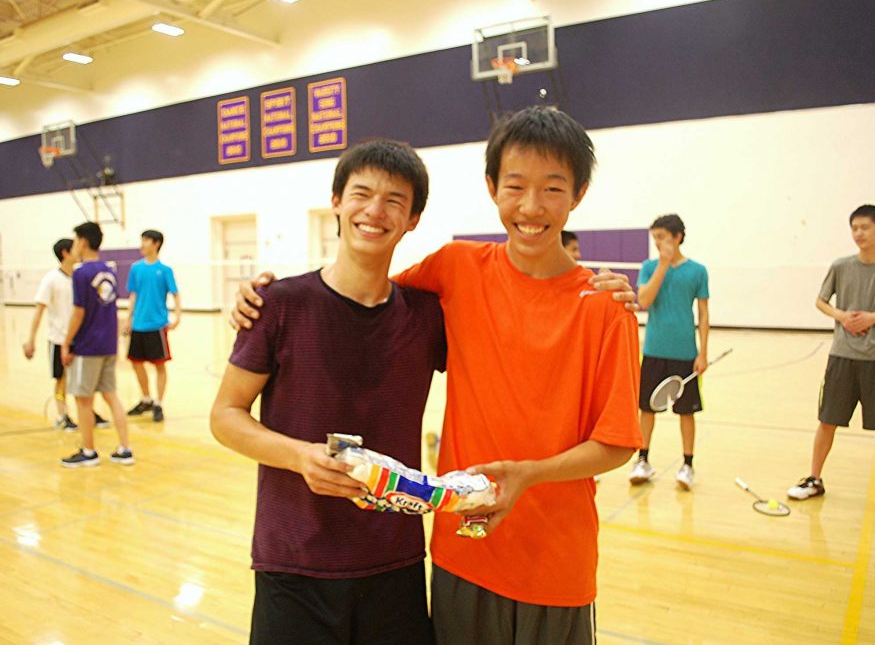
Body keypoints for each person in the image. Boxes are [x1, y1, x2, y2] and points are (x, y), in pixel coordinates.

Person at [232, 107, 643, 644]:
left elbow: (617, 443)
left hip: (554, 564)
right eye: (515, 186)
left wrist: (526, 475)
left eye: (553, 189)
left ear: (578, 195)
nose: (531, 206)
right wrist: (263, 297)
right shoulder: (456, 269)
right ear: (493, 187)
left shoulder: (605, 307)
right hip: (460, 552)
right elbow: (361, 295)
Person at [210, 139, 446, 644]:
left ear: (413, 220)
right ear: (336, 201)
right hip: (294, 560)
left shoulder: (428, 317)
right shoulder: (278, 304)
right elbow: (226, 415)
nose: (375, 211)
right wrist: (299, 457)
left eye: (394, 201)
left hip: (394, 558)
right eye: (361, 193)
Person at [787, 204, 875, 516]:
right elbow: (821, 301)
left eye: (865, 227)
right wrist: (841, 316)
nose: (859, 233)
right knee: (827, 420)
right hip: (841, 356)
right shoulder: (840, 266)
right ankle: (814, 479)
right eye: (854, 228)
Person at [630, 214, 709, 490]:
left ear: (677, 238)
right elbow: (644, 300)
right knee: (646, 409)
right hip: (654, 350)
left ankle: (687, 465)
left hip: (686, 353)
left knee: (686, 412)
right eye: (655, 239)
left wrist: (703, 353)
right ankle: (643, 460)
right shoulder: (649, 267)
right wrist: (663, 265)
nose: (658, 243)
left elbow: (703, 311)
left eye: (662, 238)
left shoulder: (698, 271)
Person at [60, 222, 132, 468]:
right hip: (108, 345)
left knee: (83, 400)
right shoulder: (109, 271)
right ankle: (125, 448)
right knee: (111, 396)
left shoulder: (81, 273)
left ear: (83, 241)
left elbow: (78, 312)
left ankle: (89, 451)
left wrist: (66, 343)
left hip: (88, 346)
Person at [23, 238, 110, 430]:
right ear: (65, 253)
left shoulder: (80, 276)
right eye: (74, 247)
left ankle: (89, 413)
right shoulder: (51, 279)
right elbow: (39, 311)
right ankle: (63, 416)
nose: (79, 249)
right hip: (58, 339)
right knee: (61, 379)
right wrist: (31, 340)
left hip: (81, 339)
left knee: (87, 379)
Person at [123, 230, 181, 423]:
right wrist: (128, 319)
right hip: (138, 324)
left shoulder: (164, 270)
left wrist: (177, 316)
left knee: (160, 365)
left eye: (146, 240)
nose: (142, 244)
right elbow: (133, 295)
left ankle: (158, 403)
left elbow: (175, 293)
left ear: (156, 244)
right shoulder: (136, 268)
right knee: (136, 362)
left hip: (157, 325)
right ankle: (146, 399)